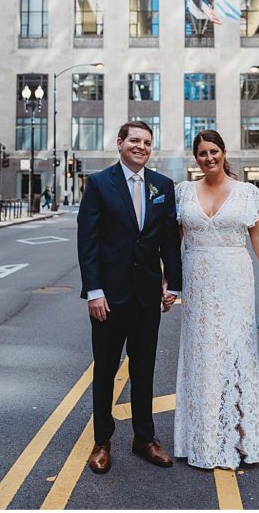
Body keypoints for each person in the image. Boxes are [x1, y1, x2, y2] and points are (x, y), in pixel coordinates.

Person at [172, 130, 259, 469]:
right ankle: (203, 437)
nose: (209, 158)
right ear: (196, 158)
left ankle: (239, 434)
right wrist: (168, 284)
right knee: (203, 354)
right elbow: (174, 243)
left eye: (214, 151)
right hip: (197, 281)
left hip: (235, 279)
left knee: (235, 352)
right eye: (202, 153)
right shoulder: (183, 193)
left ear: (224, 153)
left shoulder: (247, 193)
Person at [77, 121, 182, 474]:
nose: (141, 147)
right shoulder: (99, 184)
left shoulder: (162, 186)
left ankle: (144, 439)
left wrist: (173, 285)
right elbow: (88, 241)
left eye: (147, 142)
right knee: (105, 370)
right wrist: (94, 291)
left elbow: (168, 239)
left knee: (144, 369)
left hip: (146, 296)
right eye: (134, 141)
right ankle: (102, 441)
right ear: (119, 143)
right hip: (108, 296)